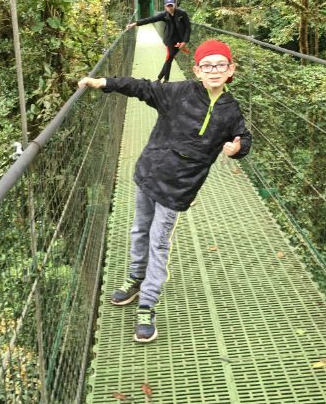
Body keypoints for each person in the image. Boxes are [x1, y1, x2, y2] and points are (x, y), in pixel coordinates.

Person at [78, 39, 252, 343]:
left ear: (230, 70)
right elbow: (142, 87)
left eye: (220, 65)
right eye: (207, 65)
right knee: (139, 230)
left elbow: (243, 137)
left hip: (180, 187)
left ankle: (147, 303)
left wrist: (237, 148)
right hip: (150, 173)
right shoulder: (179, 93)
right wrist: (103, 82)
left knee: (159, 242)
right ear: (197, 70)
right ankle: (135, 277)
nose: (214, 70)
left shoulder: (230, 109)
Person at [126, 0, 191, 82]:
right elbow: (150, 19)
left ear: (174, 5)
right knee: (170, 57)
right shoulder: (164, 15)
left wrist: (184, 41)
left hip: (179, 40)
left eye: (171, 5)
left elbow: (188, 28)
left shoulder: (182, 13)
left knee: (170, 58)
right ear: (165, 7)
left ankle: (160, 76)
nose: (170, 7)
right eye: (168, 6)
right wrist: (135, 24)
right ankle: (166, 80)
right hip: (170, 40)